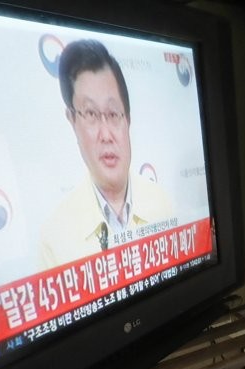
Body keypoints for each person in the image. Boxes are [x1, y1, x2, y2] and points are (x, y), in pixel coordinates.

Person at [40, 39, 173, 269]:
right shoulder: (54, 238)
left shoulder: (163, 204)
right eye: (91, 114)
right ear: (72, 121)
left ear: (127, 119)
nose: (106, 135)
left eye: (113, 114)